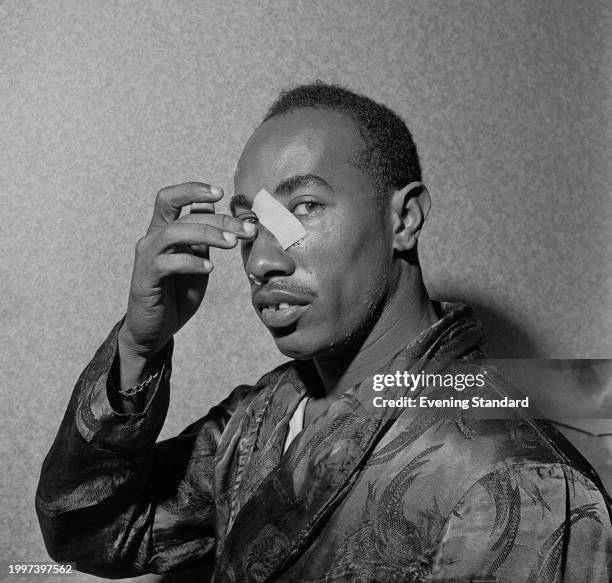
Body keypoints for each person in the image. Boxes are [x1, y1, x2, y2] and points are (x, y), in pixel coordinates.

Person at [36, 82, 611, 582]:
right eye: (253, 222)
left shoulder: (516, 477)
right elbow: (91, 531)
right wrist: (141, 346)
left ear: (403, 219)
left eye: (304, 206)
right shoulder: (262, 418)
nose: (262, 260)